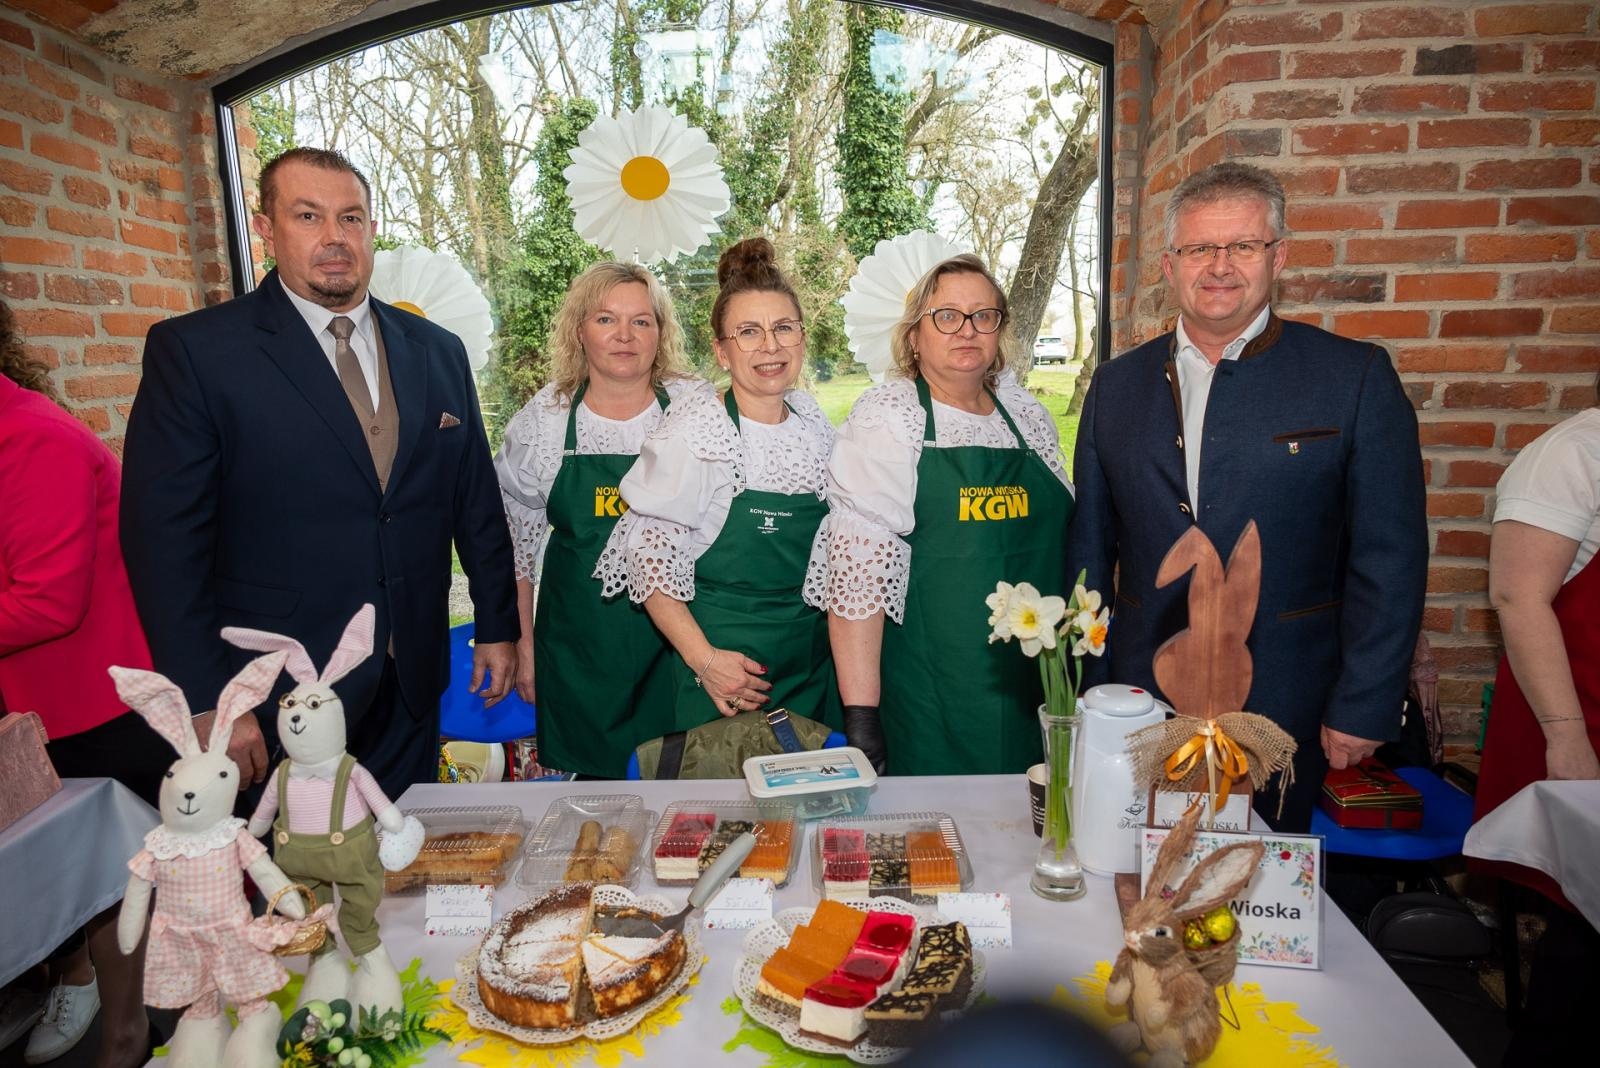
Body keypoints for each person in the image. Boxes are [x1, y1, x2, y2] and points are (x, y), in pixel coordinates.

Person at [120, 147, 517, 802]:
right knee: (292, 863)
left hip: (410, 680)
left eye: (351, 218)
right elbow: (163, 544)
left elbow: (474, 501)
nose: (335, 237)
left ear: (371, 229)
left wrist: (497, 626)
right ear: (266, 229)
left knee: (407, 848)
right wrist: (209, 698)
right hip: (275, 692)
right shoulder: (197, 352)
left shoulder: (436, 351)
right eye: (308, 216)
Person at [1067, 161, 1427, 831]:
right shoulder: (1115, 387)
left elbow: (1391, 557)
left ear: (1278, 256)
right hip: (1143, 702)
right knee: (1135, 871)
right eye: (1199, 248)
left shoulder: (1353, 378)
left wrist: (1365, 701)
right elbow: (1089, 547)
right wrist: (1089, 686)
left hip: (1292, 709)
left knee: (1265, 882)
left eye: (1242, 246)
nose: (1220, 266)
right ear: (1169, 266)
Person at [814, 253, 1073, 775]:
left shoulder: (1026, 416)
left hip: (1036, 683)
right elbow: (857, 580)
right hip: (930, 691)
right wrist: (862, 713)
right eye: (947, 316)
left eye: (984, 316)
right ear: (914, 336)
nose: (967, 330)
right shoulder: (890, 419)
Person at [0, 298, 165, 1067]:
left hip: (95, 707)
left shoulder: (33, 438)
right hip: (35, 704)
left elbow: (47, 601)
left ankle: (131, 1029)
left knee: (114, 881)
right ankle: (83, 987)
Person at [595, 237, 840, 734]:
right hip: (728, 678)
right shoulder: (698, 429)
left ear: (802, 338)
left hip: (812, 667)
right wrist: (706, 662)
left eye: (783, 328)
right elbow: (647, 555)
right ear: (722, 352)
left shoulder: (812, 422)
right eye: (748, 332)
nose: (770, 347)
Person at [493, 262, 698, 778]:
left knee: (680, 790)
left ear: (661, 332)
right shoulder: (545, 422)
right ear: (579, 330)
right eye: (607, 319)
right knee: (593, 803)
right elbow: (514, 547)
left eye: (641, 321)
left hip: (679, 650)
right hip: (578, 650)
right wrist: (524, 646)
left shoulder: (694, 409)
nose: (625, 335)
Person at [1474, 378, 1599, 1068]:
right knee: (1584, 936)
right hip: (1582, 719)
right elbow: (1518, 596)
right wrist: (1568, 739)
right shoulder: (1576, 453)